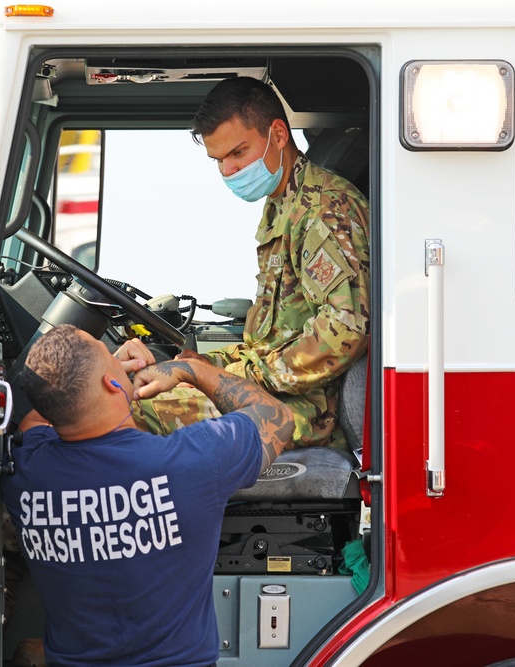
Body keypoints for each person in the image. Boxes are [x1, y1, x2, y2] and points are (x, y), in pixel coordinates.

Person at [1, 324, 294, 667]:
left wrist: (99, 372)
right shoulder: (194, 462)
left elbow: (40, 417)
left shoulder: (23, 473)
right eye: (107, 354)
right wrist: (191, 369)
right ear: (112, 383)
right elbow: (277, 418)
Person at [133, 76, 370, 451]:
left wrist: (229, 375)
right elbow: (273, 338)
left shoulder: (324, 210)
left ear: (278, 135)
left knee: (135, 412)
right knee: (137, 392)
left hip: (303, 407)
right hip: (274, 393)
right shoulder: (282, 204)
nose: (228, 171)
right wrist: (204, 363)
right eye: (219, 160)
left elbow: (345, 330)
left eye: (238, 153)